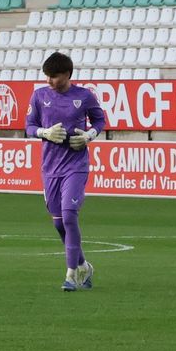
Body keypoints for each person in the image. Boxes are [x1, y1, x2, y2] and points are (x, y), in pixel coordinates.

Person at [25, 51, 108, 291]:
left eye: (54, 76)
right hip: (50, 168)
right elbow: (29, 126)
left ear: (67, 74)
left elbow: (99, 121)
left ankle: (71, 275)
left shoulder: (84, 96)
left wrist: (89, 135)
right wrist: (44, 132)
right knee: (59, 224)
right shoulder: (39, 96)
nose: (50, 81)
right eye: (47, 76)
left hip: (76, 165)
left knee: (70, 216)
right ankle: (83, 265)